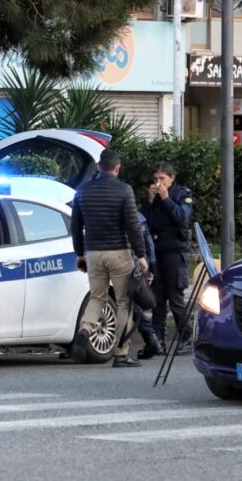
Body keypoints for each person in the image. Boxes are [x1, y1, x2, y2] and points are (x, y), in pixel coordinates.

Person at [71, 149, 149, 368]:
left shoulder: (82, 191)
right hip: (119, 253)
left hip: (93, 253)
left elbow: (75, 226)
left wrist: (80, 254)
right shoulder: (124, 190)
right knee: (124, 301)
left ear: (98, 167)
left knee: (97, 298)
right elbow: (133, 226)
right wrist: (141, 255)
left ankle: (85, 329)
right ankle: (121, 354)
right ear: (117, 168)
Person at [140, 162, 194, 356]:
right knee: (158, 298)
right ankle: (158, 340)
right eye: (156, 179)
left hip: (174, 251)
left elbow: (182, 218)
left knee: (176, 298)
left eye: (162, 178)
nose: (158, 182)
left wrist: (166, 198)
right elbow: (143, 221)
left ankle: (186, 338)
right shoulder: (153, 197)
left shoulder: (182, 194)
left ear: (172, 178)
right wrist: (151, 200)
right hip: (156, 250)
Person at [133, 211, 165, 359]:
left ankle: (151, 339)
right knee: (134, 304)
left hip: (127, 263)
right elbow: (149, 243)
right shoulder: (140, 217)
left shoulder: (115, 214)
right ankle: (152, 340)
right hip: (141, 264)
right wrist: (152, 267)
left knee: (131, 305)